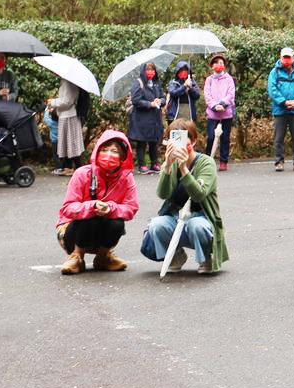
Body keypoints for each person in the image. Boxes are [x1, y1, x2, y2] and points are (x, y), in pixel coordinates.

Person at [141, 119, 227, 274]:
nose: (177, 144)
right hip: (177, 217)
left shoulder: (206, 163)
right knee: (156, 225)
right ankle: (176, 255)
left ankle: (206, 257)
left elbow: (199, 195)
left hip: (202, 217)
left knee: (197, 226)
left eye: (182, 139)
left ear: (193, 141)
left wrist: (184, 170)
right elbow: (162, 194)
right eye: (173, 139)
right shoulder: (170, 163)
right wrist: (167, 166)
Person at [56, 130, 139, 274]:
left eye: (114, 151)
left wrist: (111, 209)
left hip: (102, 233)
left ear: (123, 157)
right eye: (105, 150)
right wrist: (92, 206)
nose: (108, 155)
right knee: (91, 216)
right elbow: (67, 208)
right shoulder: (82, 173)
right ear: (97, 152)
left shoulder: (127, 178)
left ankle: (103, 257)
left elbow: (131, 208)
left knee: (117, 222)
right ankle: (76, 257)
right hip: (72, 233)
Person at [268, 47, 294, 171]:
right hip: (280, 110)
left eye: (288, 58)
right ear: (280, 58)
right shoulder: (274, 72)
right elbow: (272, 90)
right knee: (279, 137)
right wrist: (284, 102)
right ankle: (279, 162)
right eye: (284, 57)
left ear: (293, 58)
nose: (286, 60)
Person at [128, 62, 165, 174]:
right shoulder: (138, 83)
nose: (150, 72)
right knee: (142, 142)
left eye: (152, 70)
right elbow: (136, 100)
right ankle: (142, 164)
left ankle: (155, 163)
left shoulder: (156, 83)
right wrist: (150, 104)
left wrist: (161, 101)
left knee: (154, 141)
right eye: (148, 70)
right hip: (141, 118)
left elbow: (163, 97)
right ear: (143, 71)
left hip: (154, 118)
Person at [204, 54, 235, 171]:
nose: (219, 65)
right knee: (211, 137)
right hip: (213, 114)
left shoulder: (229, 78)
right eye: (216, 63)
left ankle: (223, 161)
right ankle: (207, 161)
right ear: (212, 66)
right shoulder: (209, 80)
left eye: (221, 63)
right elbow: (207, 95)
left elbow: (231, 94)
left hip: (226, 113)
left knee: (225, 138)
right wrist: (215, 106)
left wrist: (222, 104)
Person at [48, 78, 85, 170]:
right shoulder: (67, 81)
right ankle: (69, 168)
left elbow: (68, 101)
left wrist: (52, 102)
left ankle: (79, 169)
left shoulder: (69, 82)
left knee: (72, 145)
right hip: (67, 115)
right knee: (69, 144)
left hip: (69, 115)